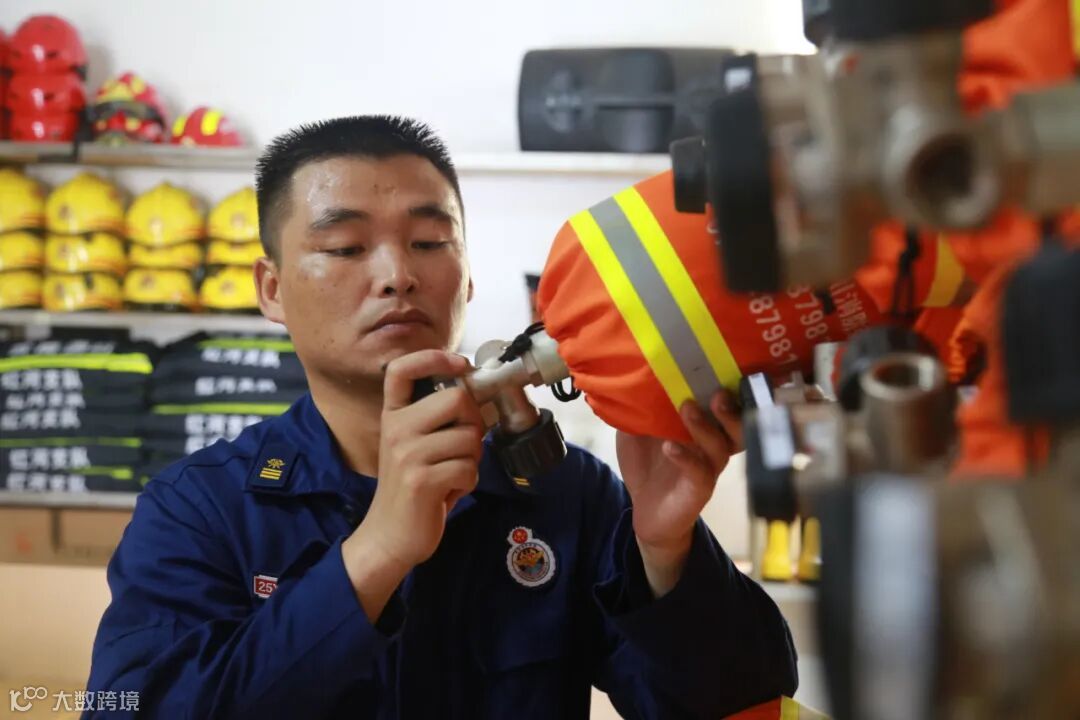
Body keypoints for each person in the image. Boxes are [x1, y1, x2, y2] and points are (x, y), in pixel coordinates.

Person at [84, 115, 798, 719]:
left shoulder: (567, 494)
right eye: (345, 248)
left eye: (429, 243)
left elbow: (744, 701)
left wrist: (665, 550)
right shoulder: (200, 509)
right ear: (271, 289)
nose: (398, 275)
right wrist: (376, 553)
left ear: (467, 275)